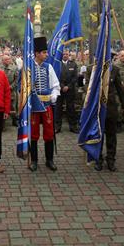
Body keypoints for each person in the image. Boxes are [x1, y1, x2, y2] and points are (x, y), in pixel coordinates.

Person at [29, 36, 60, 172]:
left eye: (46, 52)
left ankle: (49, 160)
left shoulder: (49, 67)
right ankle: (34, 160)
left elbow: (55, 85)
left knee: (48, 133)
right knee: (33, 134)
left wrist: (53, 96)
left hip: (46, 105)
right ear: (37, 53)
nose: (46, 55)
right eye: (44, 52)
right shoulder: (28, 67)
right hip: (34, 107)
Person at [95, 57, 124, 172]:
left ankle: (111, 159)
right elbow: (88, 88)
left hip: (111, 107)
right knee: (99, 136)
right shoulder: (94, 69)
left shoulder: (115, 70)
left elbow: (120, 88)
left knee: (111, 135)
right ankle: (98, 159)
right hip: (98, 108)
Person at [55, 49, 79, 133]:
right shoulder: (57, 64)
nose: (65, 55)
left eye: (67, 54)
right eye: (64, 54)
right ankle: (57, 126)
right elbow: (56, 76)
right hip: (59, 89)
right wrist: (62, 86)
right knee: (58, 108)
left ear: (69, 55)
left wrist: (68, 86)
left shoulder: (73, 64)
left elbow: (75, 77)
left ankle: (73, 126)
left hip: (70, 90)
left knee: (71, 108)